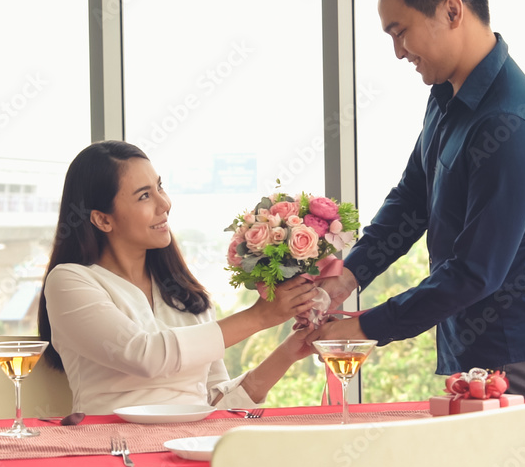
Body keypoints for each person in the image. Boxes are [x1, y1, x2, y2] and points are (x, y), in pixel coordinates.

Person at [317, 0, 525, 404]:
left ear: (452, 11)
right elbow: (411, 200)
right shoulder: (447, 93)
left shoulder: (509, 123)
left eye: (401, 32)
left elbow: (475, 272)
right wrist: (346, 278)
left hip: (517, 341)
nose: (399, 52)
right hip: (473, 334)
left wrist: (362, 328)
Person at [38, 141, 321, 415]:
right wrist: (260, 317)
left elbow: (214, 404)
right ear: (103, 219)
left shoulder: (185, 295)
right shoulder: (70, 281)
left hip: (188, 444)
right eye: (144, 195)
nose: (165, 204)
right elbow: (145, 355)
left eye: (159, 187)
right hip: (113, 448)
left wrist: (288, 353)